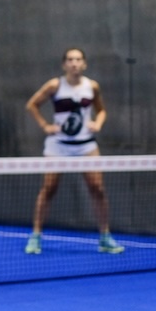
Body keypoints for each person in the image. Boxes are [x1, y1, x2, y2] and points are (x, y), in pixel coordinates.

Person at [23, 47, 123, 255]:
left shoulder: (92, 86)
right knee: (48, 188)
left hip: (86, 146)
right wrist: (45, 126)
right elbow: (32, 105)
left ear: (84, 64)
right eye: (70, 59)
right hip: (57, 146)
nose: (74, 63)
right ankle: (35, 237)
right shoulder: (54, 85)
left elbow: (101, 109)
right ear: (64, 64)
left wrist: (99, 122)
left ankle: (105, 237)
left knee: (98, 188)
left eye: (78, 59)